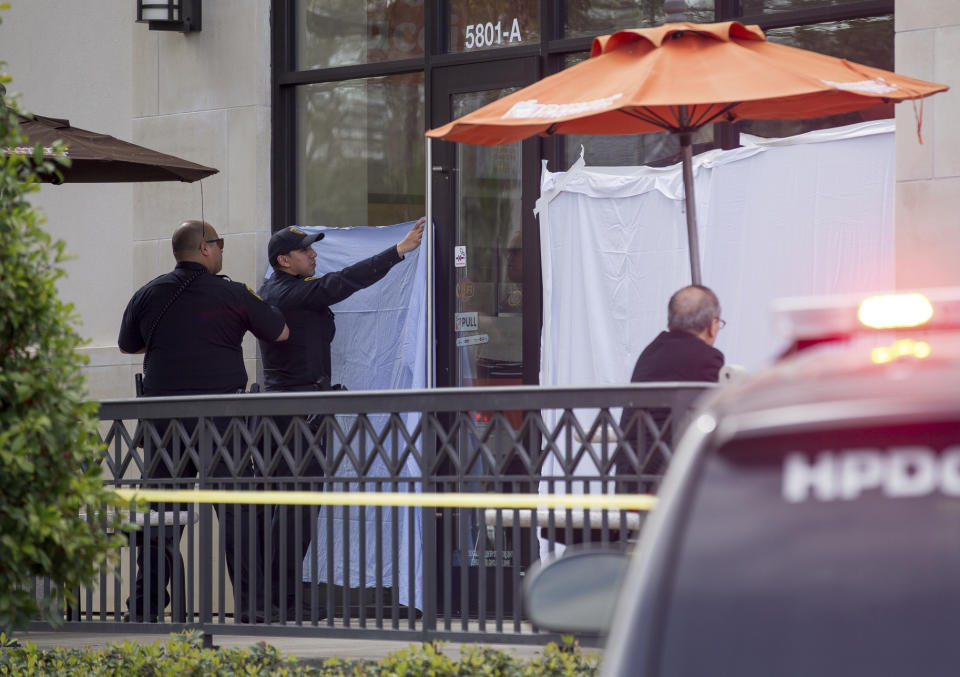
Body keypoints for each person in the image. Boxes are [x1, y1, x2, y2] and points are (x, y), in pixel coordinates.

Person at [118, 220, 289, 622]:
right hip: (222, 424)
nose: (222, 250)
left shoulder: (148, 293)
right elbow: (280, 332)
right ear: (206, 248)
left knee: (159, 518)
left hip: (164, 428)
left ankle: (144, 608)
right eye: (220, 244)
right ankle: (254, 608)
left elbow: (129, 344)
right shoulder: (231, 292)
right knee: (238, 517)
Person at [256, 218, 425, 615]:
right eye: (306, 251)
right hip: (297, 415)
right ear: (283, 260)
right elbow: (343, 282)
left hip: (298, 411)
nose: (314, 255)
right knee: (296, 508)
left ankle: (282, 598)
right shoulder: (288, 292)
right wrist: (397, 251)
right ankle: (282, 601)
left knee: (296, 508)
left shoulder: (283, 289)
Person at [617, 284, 725, 492]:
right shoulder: (707, 358)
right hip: (666, 486)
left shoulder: (650, 353)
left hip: (629, 480)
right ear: (712, 325)